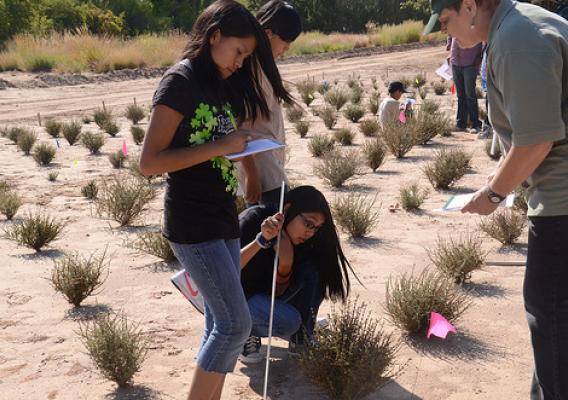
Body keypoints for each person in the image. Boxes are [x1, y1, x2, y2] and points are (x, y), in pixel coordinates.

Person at [139, 1, 292, 399]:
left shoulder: (219, 82)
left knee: (217, 322)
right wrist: (220, 146)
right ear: (214, 36)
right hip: (193, 224)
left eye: (247, 56)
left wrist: (244, 153)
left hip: (222, 216)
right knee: (234, 325)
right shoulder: (180, 82)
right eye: (238, 52)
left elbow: (219, 143)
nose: (241, 63)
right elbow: (150, 162)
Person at [424, 0, 568, 399]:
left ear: (470, 6)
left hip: (562, 207)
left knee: (552, 321)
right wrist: (502, 172)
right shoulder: (520, 26)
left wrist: (494, 194)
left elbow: (537, 140)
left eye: (448, 21)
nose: (447, 33)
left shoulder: (516, 40)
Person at [238, 186, 355, 363]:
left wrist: (286, 263)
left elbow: (276, 292)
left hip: (262, 295)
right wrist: (261, 240)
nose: (310, 232)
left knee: (316, 267)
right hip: (234, 298)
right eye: (308, 223)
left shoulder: (301, 241)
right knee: (288, 320)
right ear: (287, 209)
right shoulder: (253, 219)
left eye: (316, 228)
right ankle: (244, 334)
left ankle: (301, 338)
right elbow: (226, 269)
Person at [237, 0, 302, 207]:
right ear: (268, 33)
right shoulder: (247, 67)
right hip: (261, 171)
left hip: (271, 164)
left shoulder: (264, 65)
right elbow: (240, 124)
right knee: (271, 233)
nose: (287, 48)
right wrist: (252, 174)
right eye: (286, 41)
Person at [446, 34, 483, 133]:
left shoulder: (475, 19)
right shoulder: (455, 20)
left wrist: (480, 56)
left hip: (470, 62)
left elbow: (483, 37)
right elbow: (450, 32)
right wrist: (449, 47)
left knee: (470, 94)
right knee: (460, 95)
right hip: (455, 62)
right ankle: (461, 123)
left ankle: (475, 124)